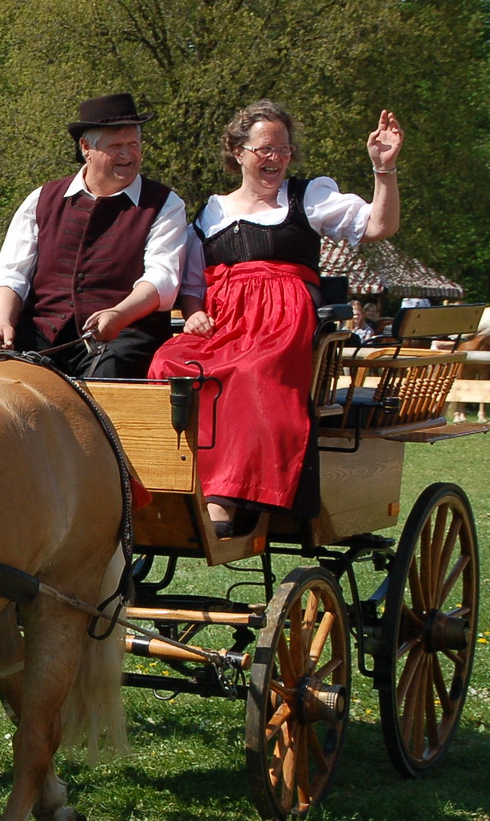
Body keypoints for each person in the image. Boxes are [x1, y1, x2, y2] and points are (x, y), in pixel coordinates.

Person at [148, 100, 402, 536]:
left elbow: (379, 226)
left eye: (283, 149)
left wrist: (383, 169)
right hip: (224, 319)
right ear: (238, 151)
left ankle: (228, 496)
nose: (276, 157)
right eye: (265, 148)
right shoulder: (209, 214)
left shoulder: (309, 196)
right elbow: (193, 286)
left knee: (251, 372)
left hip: (283, 318)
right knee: (168, 365)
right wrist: (193, 316)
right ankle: (174, 485)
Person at [0, 93, 188, 378]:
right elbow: (11, 274)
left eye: (133, 145)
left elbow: (161, 279)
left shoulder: (165, 204)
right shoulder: (42, 199)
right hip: (42, 336)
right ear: (85, 148)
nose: (128, 155)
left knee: (109, 375)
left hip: (123, 338)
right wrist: (4, 322)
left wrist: (119, 315)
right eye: (116, 146)